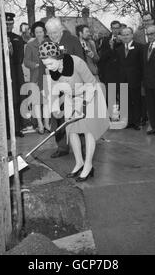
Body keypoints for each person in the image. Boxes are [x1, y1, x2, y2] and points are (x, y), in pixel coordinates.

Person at [39, 41, 109, 181]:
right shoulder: (49, 70)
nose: (49, 67)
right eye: (46, 64)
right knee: (71, 130)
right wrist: (55, 109)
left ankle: (88, 166)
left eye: (51, 63)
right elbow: (53, 92)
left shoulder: (76, 62)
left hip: (90, 97)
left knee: (88, 130)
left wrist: (82, 105)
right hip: (71, 98)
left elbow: (91, 83)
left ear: (58, 58)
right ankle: (79, 163)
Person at [44, 17, 84, 158]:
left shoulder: (72, 40)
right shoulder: (46, 43)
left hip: (73, 84)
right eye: (50, 33)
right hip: (55, 86)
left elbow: (81, 61)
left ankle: (82, 146)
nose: (53, 35)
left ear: (61, 30)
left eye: (55, 32)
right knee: (58, 117)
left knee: (76, 116)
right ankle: (62, 147)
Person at [134, 11, 155, 126]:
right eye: (144, 20)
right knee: (149, 103)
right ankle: (152, 124)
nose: (146, 22)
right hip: (146, 75)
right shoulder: (137, 35)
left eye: (148, 20)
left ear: (153, 20)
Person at [23, 21, 50, 134]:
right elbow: (26, 61)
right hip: (35, 77)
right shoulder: (30, 45)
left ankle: (47, 123)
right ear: (34, 33)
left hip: (47, 76)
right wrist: (35, 65)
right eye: (36, 32)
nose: (39, 34)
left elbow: (57, 56)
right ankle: (39, 124)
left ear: (44, 32)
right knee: (37, 102)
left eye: (40, 32)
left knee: (47, 101)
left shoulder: (49, 43)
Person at [117, 27, 143, 130]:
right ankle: (128, 122)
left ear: (132, 35)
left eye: (127, 34)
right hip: (123, 80)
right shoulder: (119, 49)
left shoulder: (139, 47)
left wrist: (141, 78)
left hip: (135, 79)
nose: (126, 36)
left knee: (136, 101)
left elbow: (142, 64)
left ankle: (137, 122)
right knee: (124, 102)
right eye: (123, 35)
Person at [5, 12, 25, 138]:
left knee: (17, 101)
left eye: (10, 24)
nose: (8, 26)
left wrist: (11, 49)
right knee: (6, 102)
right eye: (6, 24)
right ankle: (7, 130)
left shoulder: (17, 38)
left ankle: (17, 128)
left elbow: (20, 57)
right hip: (4, 74)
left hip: (16, 73)